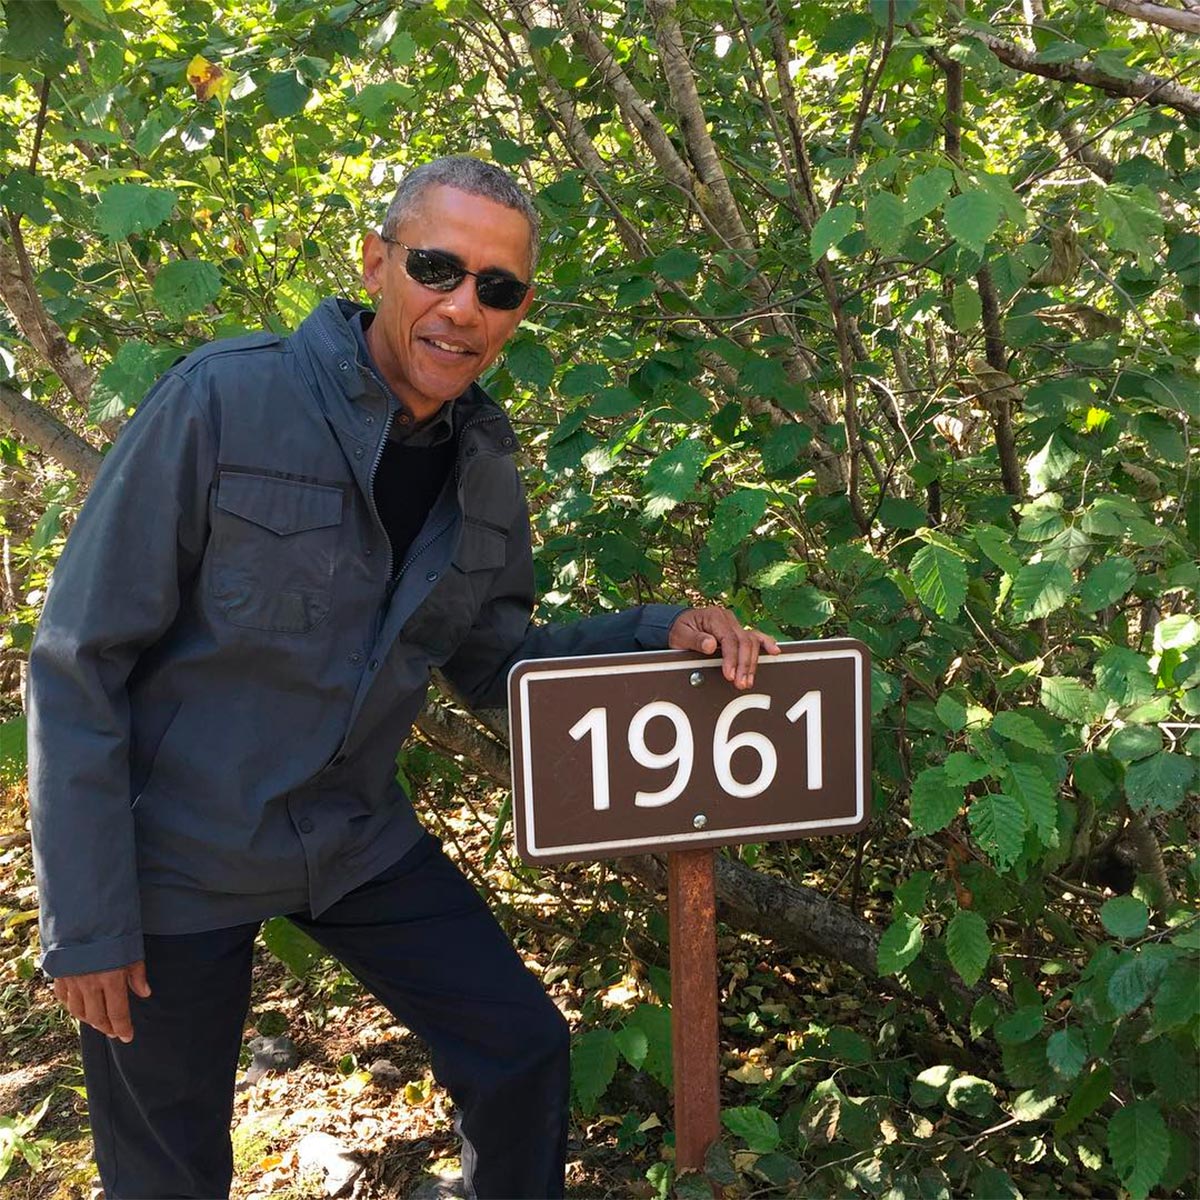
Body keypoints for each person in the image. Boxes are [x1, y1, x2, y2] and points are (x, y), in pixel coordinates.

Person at [28, 156, 777, 1200]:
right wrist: (88, 921)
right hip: (176, 859)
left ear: (518, 309)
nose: (462, 306)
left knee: (520, 1047)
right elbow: (77, 661)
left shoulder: (483, 467)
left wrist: (662, 635)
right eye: (437, 267)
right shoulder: (224, 399)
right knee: (168, 1171)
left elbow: (494, 659)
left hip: (349, 836)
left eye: (497, 287)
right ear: (378, 262)